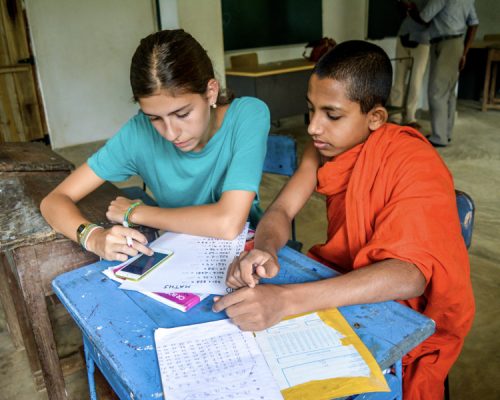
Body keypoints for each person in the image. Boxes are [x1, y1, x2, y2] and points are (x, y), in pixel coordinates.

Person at [213, 40, 474, 400]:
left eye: (331, 115)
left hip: (397, 304)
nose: (314, 127)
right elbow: (282, 211)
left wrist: (287, 300)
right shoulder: (322, 148)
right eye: (311, 110)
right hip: (343, 282)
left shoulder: (413, 162)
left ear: (375, 118)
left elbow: (410, 276)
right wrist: (266, 250)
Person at [40, 29, 270, 262]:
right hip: (181, 252)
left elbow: (228, 223)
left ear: (211, 92)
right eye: (155, 118)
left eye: (182, 113)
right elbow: (54, 201)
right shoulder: (139, 132)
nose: (171, 134)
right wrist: (93, 237)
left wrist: (136, 212)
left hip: (250, 254)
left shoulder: (249, 114)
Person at [408, 0, 479, 146]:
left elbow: (424, 17)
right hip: (457, 43)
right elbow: (474, 23)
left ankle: (439, 137)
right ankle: (446, 134)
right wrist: (464, 53)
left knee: (437, 92)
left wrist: (409, 8)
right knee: (449, 92)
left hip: (444, 44)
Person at [388, 0, 430, 129]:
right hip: (403, 35)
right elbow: (401, 13)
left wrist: (411, 8)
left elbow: (426, 19)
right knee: (398, 80)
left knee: (416, 80)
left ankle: (410, 117)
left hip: (422, 40)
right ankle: (395, 117)